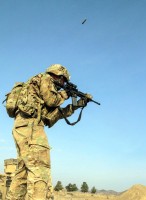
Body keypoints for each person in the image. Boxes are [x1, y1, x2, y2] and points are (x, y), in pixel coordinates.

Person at [6, 64, 90, 200]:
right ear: (58, 75)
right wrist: (65, 94)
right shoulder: (45, 78)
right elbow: (52, 101)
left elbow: (50, 117)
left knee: (23, 173)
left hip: (24, 127)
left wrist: (75, 106)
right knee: (40, 170)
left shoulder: (36, 90)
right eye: (63, 81)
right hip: (31, 128)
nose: (62, 84)